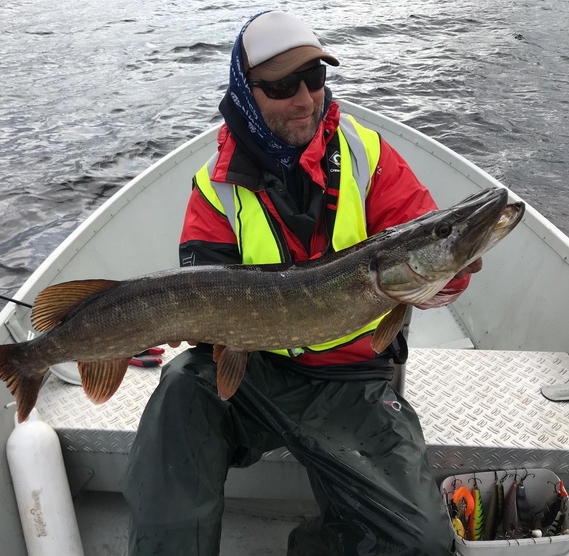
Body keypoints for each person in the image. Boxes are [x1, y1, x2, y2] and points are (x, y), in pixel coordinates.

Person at [123, 10, 480, 555]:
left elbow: (422, 253)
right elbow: (202, 294)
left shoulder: (370, 157)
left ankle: (320, 542)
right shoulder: (213, 188)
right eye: (284, 85)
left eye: (315, 79)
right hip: (258, 376)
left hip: (355, 382)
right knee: (180, 390)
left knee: (422, 545)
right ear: (247, 93)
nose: (305, 99)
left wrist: (452, 274)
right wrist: (189, 328)